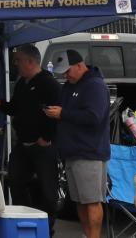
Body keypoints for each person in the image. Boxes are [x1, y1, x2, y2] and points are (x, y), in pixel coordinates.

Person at [0, 44, 61, 234]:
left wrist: (46, 138)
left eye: (18, 60)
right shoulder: (22, 83)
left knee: (48, 190)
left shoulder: (49, 83)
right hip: (23, 144)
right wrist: (1, 104)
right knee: (15, 180)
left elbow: (57, 113)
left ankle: (47, 228)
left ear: (30, 61)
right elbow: (14, 108)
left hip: (43, 145)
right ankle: (26, 219)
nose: (16, 64)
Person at [45, 50, 110, 238]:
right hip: (71, 151)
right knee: (79, 201)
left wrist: (63, 114)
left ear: (80, 66)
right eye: (63, 73)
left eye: (68, 71)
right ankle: (86, 234)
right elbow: (65, 110)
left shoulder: (95, 86)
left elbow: (94, 117)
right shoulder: (69, 86)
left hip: (89, 152)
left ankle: (94, 236)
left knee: (92, 200)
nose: (66, 75)